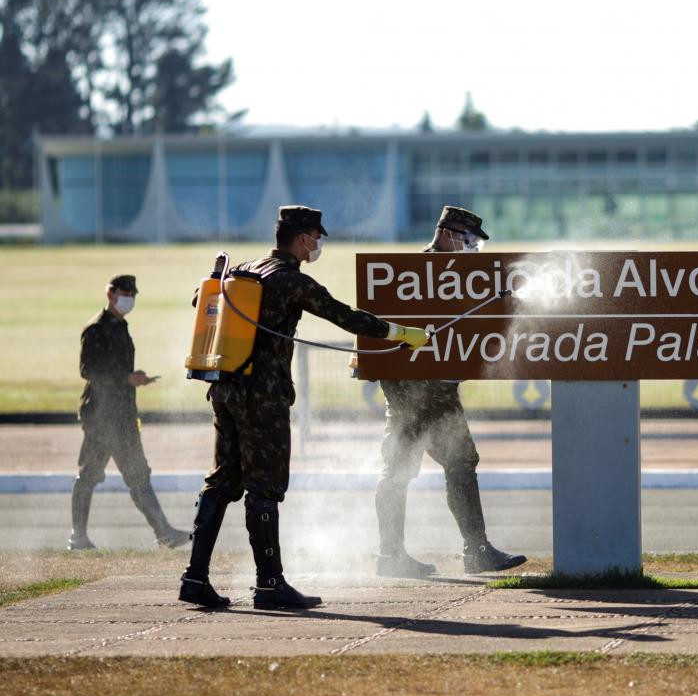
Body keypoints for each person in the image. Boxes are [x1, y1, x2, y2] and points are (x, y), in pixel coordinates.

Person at [179, 205, 430, 610]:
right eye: (316, 237)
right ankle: (269, 585)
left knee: (222, 482)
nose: (318, 245)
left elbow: (200, 299)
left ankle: (194, 578)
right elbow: (346, 317)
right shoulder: (290, 280)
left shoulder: (245, 269)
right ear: (301, 239)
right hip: (263, 397)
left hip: (224, 387)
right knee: (264, 488)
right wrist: (401, 334)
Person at [374, 206, 526, 578]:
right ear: (446, 234)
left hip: (436, 391)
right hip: (415, 393)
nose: (473, 248)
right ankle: (463, 552)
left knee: (436, 467)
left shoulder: (459, 277)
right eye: (468, 239)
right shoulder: (414, 276)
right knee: (411, 470)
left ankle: (406, 555)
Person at [69, 275, 188, 551]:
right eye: (125, 292)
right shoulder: (96, 328)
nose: (130, 298)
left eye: (133, 293)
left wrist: (135, 378)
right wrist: (126, 378)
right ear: (110, 293)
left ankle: (164, 533)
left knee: (138, 473)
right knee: (90, 474)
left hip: (123, 414)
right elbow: (88, 370)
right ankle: (78, 537)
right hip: (101, 414)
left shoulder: (120, 326)